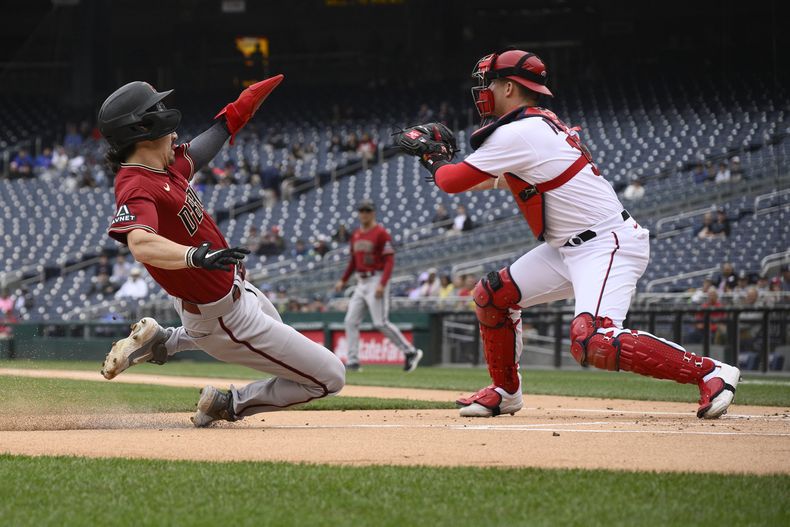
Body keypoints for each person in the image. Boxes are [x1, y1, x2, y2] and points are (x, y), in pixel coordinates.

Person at [395, 49, 740, 418]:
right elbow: (488, 180)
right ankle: (505, 391)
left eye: (490, 83)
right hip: (568, 247)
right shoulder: (536, 125)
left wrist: (433, 158)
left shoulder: (519, 131)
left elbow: (450, 181)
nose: (484, 90)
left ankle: (711, 372)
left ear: (509, 87)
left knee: (593, 339)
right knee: (493, 296)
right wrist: (448, 165)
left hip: (606, 244)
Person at [97, 76, 344, 427]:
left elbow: (204, 146)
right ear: (144, 129)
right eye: (161, 116)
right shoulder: (136, 184)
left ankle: (162, 341)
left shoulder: (164, 167)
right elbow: (140, 242)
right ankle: (229, 403)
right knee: (330, 377)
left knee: (292, 363)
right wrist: (194, 255)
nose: (174, 131)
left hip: (236, 297)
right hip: (222, 318)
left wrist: (238, 111)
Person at [334, 198, 423, 372]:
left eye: (367, 210)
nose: (364, 214)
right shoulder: (356, 234)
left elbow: (389, 261)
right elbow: (353, 261)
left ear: (373, 213)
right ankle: (353, 361)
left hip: (376, 278)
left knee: (380, 322)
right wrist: (343, 280)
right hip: (361, 281)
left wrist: (383, 284)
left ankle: (410, 351)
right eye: (361, 211)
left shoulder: (381, 233)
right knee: (350, 321)